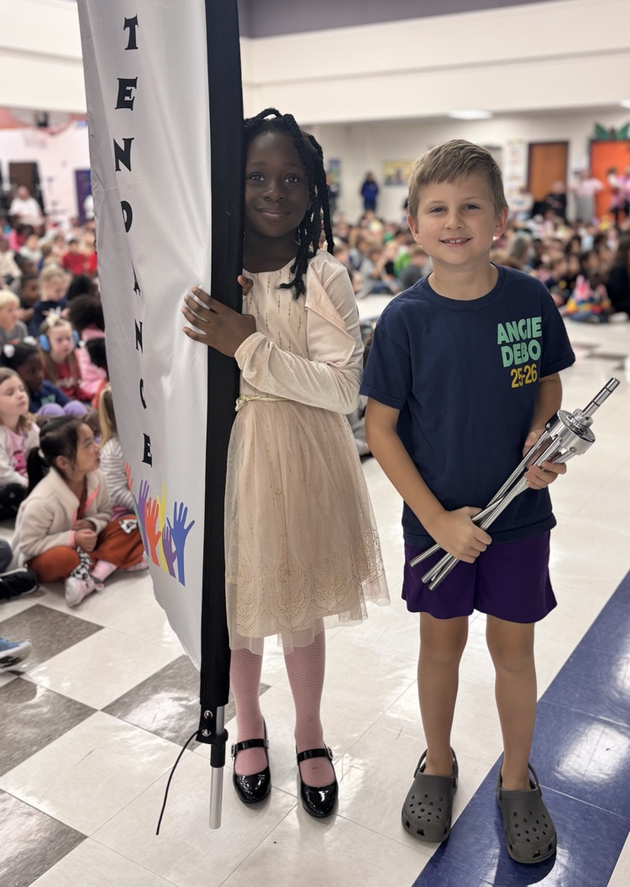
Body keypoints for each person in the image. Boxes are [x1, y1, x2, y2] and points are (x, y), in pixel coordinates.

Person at [362, 139, 575, 865]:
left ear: (500, 219)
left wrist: (544, 434)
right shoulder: (403, 319)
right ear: (414, 226)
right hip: (437, 524)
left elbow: (548, 381)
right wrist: (435, 520)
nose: (454, 222)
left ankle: (517, 778)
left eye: (470, 207)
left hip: (519, 519)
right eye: (437, 209)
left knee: (514, 652)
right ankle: (439, 761)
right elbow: (380, 429)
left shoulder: (530, 298)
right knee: (440, 648)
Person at [182, 108, 388, 819]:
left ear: (314, 191)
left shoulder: (323, 276)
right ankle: (249, 723)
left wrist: (248, 345)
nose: (274, 190)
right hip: (228, 461)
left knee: (298, 605)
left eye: (291, 178)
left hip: (302, 456)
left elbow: (341, 388)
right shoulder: (213, 270)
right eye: (257, 176)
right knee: (239, 606)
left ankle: (308, 727)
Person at [14, 417, 146, 607]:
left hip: (88, 545)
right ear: (63, 462)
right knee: (65, 558)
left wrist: (93, 524)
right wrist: (72, 538)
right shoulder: (42, 500)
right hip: (53, 555)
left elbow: (105, 513)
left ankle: (91, 577)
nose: (97, 447)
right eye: (87, 445)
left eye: (94, 440)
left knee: (132, 523)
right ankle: (112, 561)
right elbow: (29, 546)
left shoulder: (96, 477)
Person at [1, 341, 87, 418]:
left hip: (64, 429)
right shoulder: (19, 399)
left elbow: (68, 404)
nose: (40, 375)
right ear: (13, 374)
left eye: (40, 368)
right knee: (52, 410)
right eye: (31, 372)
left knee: (76, 406)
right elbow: (30, 421)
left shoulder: (47, 387)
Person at [0, 367, 40, 519]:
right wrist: (30, 484)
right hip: (7, 486)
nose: (20, 395)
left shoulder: (29, 426)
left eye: (21, 389)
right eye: (10, 393)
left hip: (25, 481)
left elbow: (38, 458)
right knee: (15, 490)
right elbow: (4, 475)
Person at [38, 314, 90, 403]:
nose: (66, 343)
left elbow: (77, 389)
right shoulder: (42, 365)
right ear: (45, 343)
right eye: (59, 340)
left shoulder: (75, 360)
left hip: (75, 403)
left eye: (69, 338)